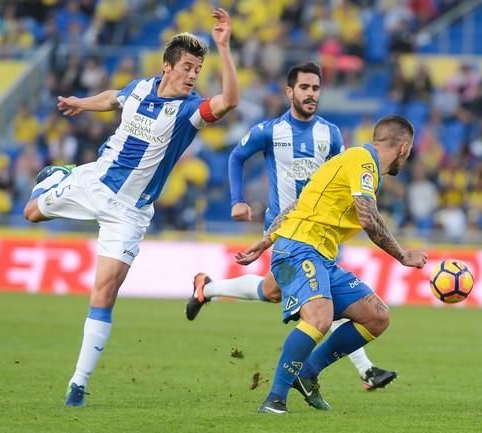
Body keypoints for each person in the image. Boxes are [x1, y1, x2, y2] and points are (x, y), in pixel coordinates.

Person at [23, 8, 239, 407]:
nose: (193, 74)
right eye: (187, 66)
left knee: (104, 291)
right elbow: (114, 98)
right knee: (31, 213)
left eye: (198, 68)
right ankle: (59, 175)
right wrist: (82, 104)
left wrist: (224, 48)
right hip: (92, 182)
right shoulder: (142, 87)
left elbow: (229, 101)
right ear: (166, 67)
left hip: (129, 212)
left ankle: (78, 384)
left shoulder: (189, 112)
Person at [186, 62, 398, 391]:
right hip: (287, 230)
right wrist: (237, 200)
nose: (311, 94)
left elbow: (341, 174)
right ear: (290, 92)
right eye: (304, 88)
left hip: (322, 226)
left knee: (275, 292)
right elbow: (236, 157)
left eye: (316, 88)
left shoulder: (331, 134)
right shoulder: (269, 131)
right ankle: (363, 370)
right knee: (320, 301)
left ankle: (207, 289)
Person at [235, 115, 427, 414]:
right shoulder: (363, 161)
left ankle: (307, 372)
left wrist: (266, 240)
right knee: (319, 317)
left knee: (376, 316)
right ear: (403, 148)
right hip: (300, 248)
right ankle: (274, 399)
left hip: (319, 253)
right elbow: (368, 218)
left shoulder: (352, 162)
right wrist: (402, 255)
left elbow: (300, 202)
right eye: (410, 150)